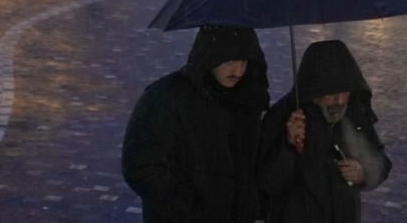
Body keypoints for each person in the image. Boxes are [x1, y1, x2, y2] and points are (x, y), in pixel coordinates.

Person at [122, 26, 270, 222]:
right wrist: (188, 205)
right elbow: (140, 166)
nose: (238, 70)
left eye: (244, 61)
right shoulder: (166, 97)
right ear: (210, 56)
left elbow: (252, 162)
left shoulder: (246, 99)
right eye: (230, 61)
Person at [259, 40, 391, 223]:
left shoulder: (353, 116)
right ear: (315, 90)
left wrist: (363, 172)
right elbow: (267, 184)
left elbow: (381, 162)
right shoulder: (282, 116)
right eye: (330, 93)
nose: (339, 100)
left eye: (344, 91)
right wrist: (288, 146)